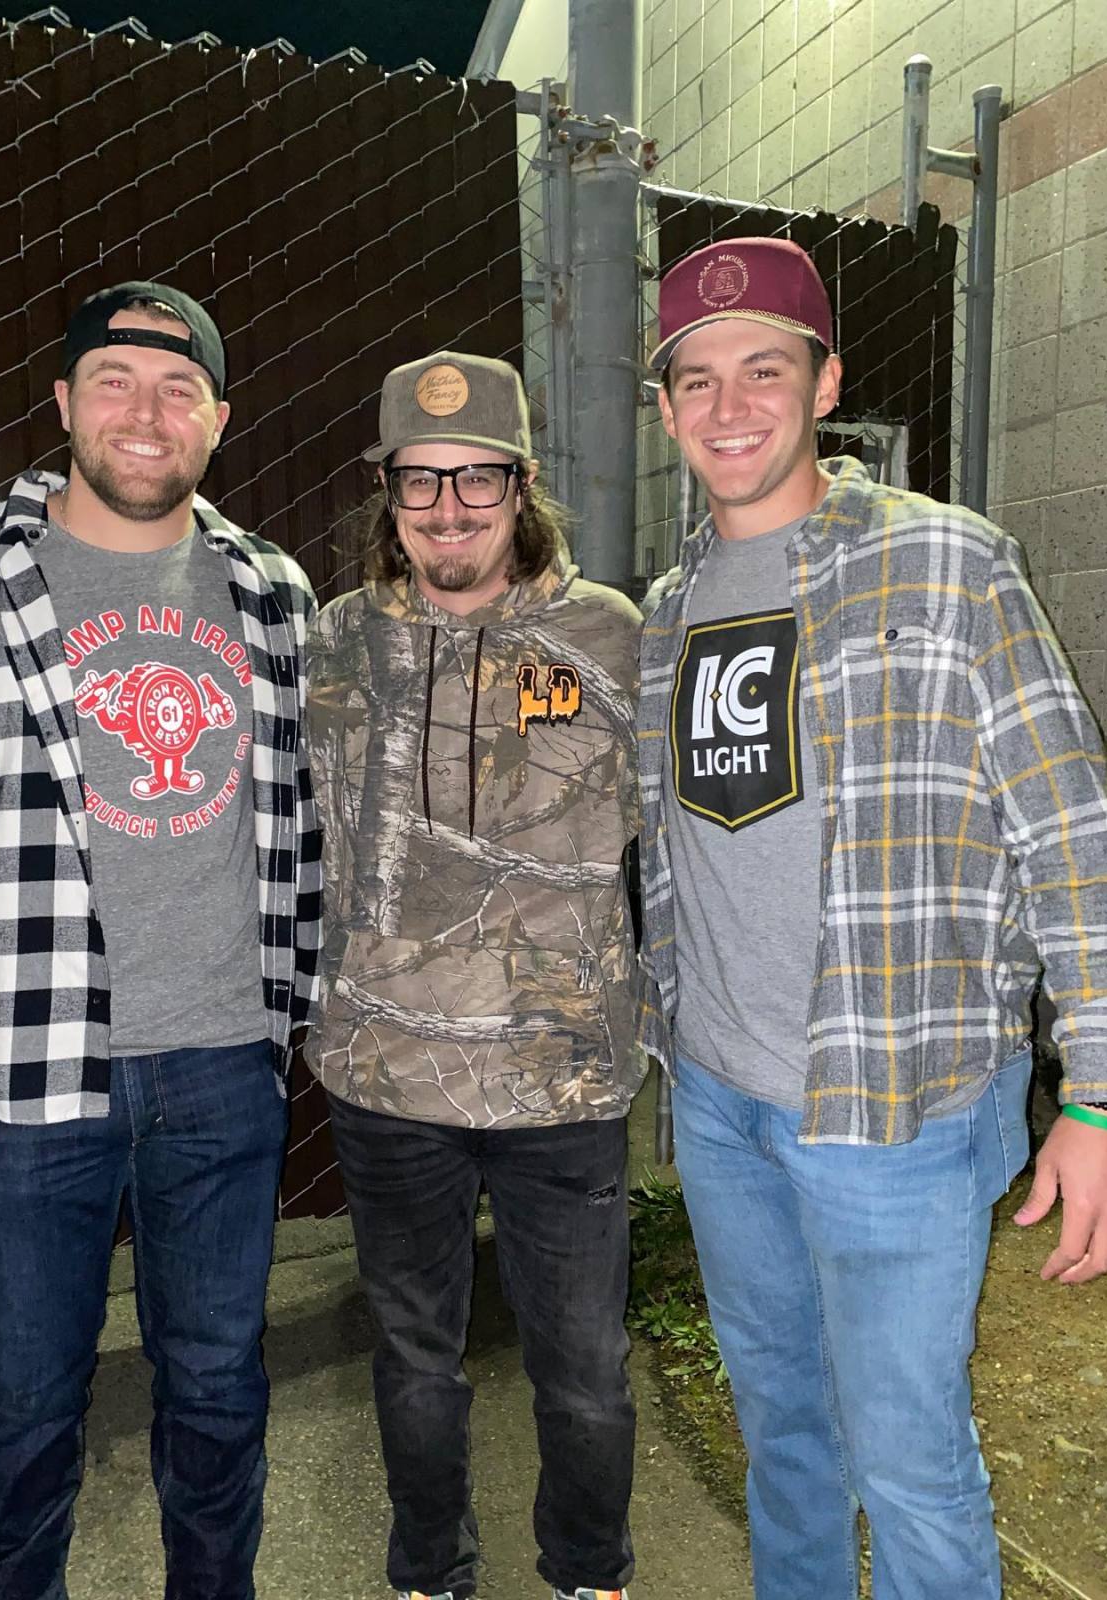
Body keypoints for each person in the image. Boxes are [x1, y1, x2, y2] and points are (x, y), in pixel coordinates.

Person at [0, 281, 321, 1600]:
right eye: (114, 381)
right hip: (32, 1075)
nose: (145, 413)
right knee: (29, 1396)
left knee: (219, 1389)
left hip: (227, 1065)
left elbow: (306, 819)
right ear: (61, 405)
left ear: (219, 417)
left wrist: (311, 1000)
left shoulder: (272, 592)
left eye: (179, 388)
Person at [638, 235, 1107, 1600]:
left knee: (909, 1457)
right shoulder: (671, 612)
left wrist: (1096, 1102)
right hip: (723, 1104)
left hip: (893, 1108)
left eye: (765, 370)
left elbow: (1075, 834)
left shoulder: (951, 566)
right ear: (666, 406)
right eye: (698, 379)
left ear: (826, 381)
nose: (731, 407)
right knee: (783, 1431)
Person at [305, 351, 660, 1600]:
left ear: (520, 485)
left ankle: (586, 1575)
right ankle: (428, 1574)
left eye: (477, 479)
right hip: (384, 1075)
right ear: (384, 491)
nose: (448, 506)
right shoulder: (334, 645)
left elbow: (676, 832)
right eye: (420, 480)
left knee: (582, 1366)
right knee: (413, 1361)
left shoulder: (610, 636)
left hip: (561, 1079)